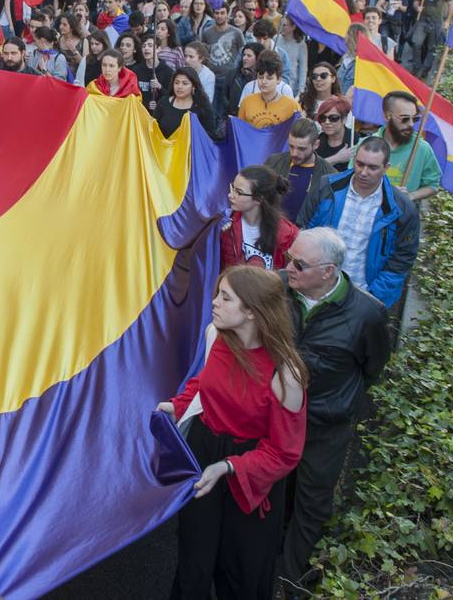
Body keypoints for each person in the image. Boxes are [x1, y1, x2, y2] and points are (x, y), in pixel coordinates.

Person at [159, 266, 306, 598]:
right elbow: (204, 381)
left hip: (252, 469)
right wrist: (177, 405)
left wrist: (229, 467)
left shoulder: (286, 373)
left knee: (242, 568)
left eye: (225, 297)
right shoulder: (214, 334)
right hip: (204, 451)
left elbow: (285, 452)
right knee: (194, 559)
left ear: (252, 312)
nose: (214, 303)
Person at [277, 228, 391, 594]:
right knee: (276, 490)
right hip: (278, 416)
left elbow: (373, 366)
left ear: (328, 272)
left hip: (325, 425)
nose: (287, 267)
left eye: (299, 263)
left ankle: (289, 580)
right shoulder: (277, 288)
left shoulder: (368, 314)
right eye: (288, 257)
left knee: (312, 502)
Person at [297, 138, 421, 309]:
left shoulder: (402, 209)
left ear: (386, 168)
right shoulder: (326, 187)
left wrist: (374, 296)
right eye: (360, 164)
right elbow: (303, 229)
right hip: (316, 288)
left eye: (372, 167)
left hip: (362, 296)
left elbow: (402, 259)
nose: (363, 172)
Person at [363, 90, 441, 202]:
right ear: (387, 116)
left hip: (402, 214)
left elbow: (432, 185)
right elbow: (353, 177)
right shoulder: (366, 144)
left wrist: (410, 196)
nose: (411, 124)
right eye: (405, 119)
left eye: (415, 119)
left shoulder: (422, 148)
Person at [222, 165, 298, 270]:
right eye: (232, 188)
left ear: (259, 199)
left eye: (238, 192)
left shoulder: (288, 235)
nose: (230, 195)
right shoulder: (225, 225)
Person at [264, 118, 336, 223]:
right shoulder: (274, 161)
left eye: (301, 149)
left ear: (316, 145)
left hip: (304, 235)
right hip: (271, 228)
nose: (294, 153)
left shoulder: (330, 175)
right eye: (291, 146)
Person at [237, 52, 301, 128]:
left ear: (278, 79)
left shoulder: (292, 106)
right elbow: (240, 130)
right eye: (260, 77)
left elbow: (298, 134)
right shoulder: (247, 102)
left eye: (269, 78)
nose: (263, 81)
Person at [202, 4, 245, 116]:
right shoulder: (206, 32)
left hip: (230, 78)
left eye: (222, 13)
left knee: (228, 111)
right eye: (217, 13)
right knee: (212, 110)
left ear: (227, 14)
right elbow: (204, 53)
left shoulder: (236, 32)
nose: (219, 16)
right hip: (213, 78)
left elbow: (242, 53)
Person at [154, 67, 216, 140]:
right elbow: (154, 129)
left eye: (185, 83)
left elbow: (210, 136)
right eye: (176, 82)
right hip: (164, 149)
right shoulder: (163, 102)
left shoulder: (202, 107)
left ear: (193, 86)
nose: (179, 87)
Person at [132, 35, 174, 112]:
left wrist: (159, 87)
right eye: (143, 46)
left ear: (158, 49)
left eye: (150, 46)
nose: (146, 48)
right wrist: (146, 104)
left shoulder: (168, 72)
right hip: (140, 113)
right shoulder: (136, 71)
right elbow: (133, 96)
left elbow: (171, 97)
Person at [314, 96, 355, 171]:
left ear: (344, 119)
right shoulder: (317, 141)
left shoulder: (355, 139)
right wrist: (336, 158)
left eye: (333, 118)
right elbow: (309, 168)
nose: (327, 122)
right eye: (323, 118)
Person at [223, 43, 262, 118]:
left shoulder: (261, 78)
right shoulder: (233, 74)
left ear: (258, 58)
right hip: (233, 117)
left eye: (249, 56)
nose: (244, 58)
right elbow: (225, 95)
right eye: (244, 55)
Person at [276, 17, 308, 95]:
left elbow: (303, 69)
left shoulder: (301, 45)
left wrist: (301, 91)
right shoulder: (275, 39)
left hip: (292, 86)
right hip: (276, 83)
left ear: (293, 27)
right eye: (280, 24)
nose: (281, 27)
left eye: (284, 25)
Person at [182, 41, 216, 107]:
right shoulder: (181, 70)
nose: (187, 60)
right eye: (185, 56)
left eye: (191, 57)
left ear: (201, 59)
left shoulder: (208, 75)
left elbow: (208, 100)